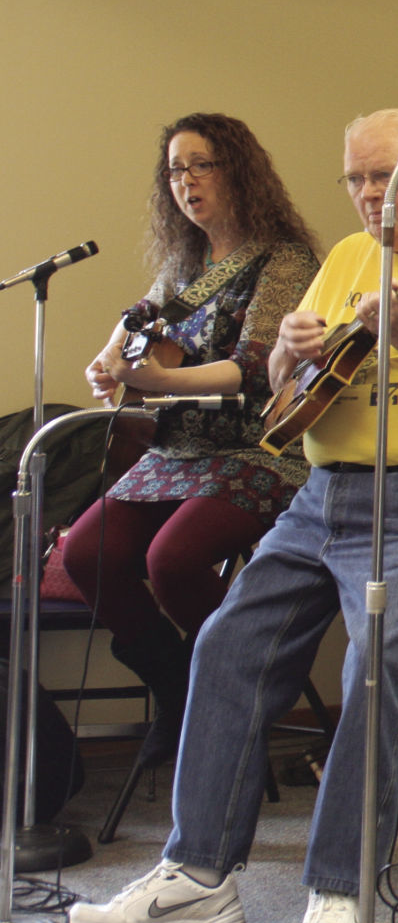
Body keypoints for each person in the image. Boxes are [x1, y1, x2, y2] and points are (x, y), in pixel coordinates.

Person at [69, 109, 398, 923]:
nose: (367, 194)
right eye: (354, 178)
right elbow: (281, 382)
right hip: (324, 492)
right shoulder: (349, 258)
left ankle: (340, 891)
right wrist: (289, 347)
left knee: (375, 659)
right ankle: (200, 875)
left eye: (384, 174)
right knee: (226, 642)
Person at [68, 112, 319, 770]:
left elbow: (254, 366)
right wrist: (113, 365)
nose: (186, 181)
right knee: (84, 552)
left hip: (258, 450)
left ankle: (249, 679)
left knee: (173, 560)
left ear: (237, 170)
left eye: (200, 164)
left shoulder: (284, 258)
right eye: (175, 169)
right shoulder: (185, 266)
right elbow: (135, 339)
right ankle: (182, 683)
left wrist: (152, 379)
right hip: (179, 451)